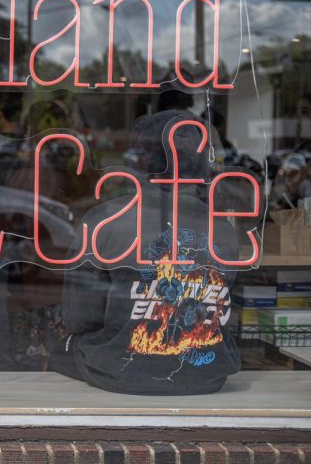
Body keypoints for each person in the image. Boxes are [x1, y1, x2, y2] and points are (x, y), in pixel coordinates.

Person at [50, 110, 242, 395]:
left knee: (56, 351)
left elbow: (79, 318)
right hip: (206, 375)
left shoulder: (104, 220)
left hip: (118, 372)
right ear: (203, 164)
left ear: (140, 160)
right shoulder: (224, 230)